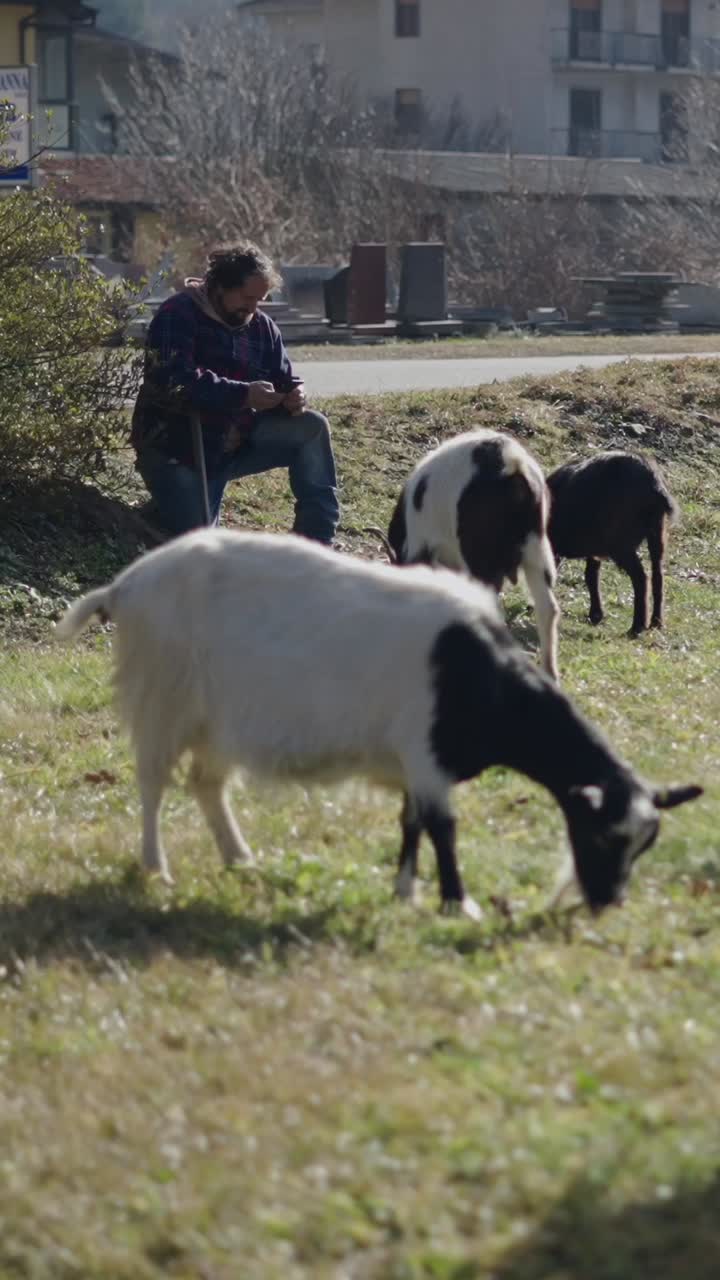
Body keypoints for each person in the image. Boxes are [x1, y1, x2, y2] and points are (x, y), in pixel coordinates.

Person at [131, 243, 339, 544]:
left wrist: (295, 395)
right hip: (178, 448)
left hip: (233, 443)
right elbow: (173, 380)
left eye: (260, 300)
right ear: (219, 286)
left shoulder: (262, 327)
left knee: (312, 428)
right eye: (247, 298)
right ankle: (162, 508)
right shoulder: (177, 314)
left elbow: (284, 379)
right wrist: (242, 395)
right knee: (198, 541)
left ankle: (317, 543)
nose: (253, 308)